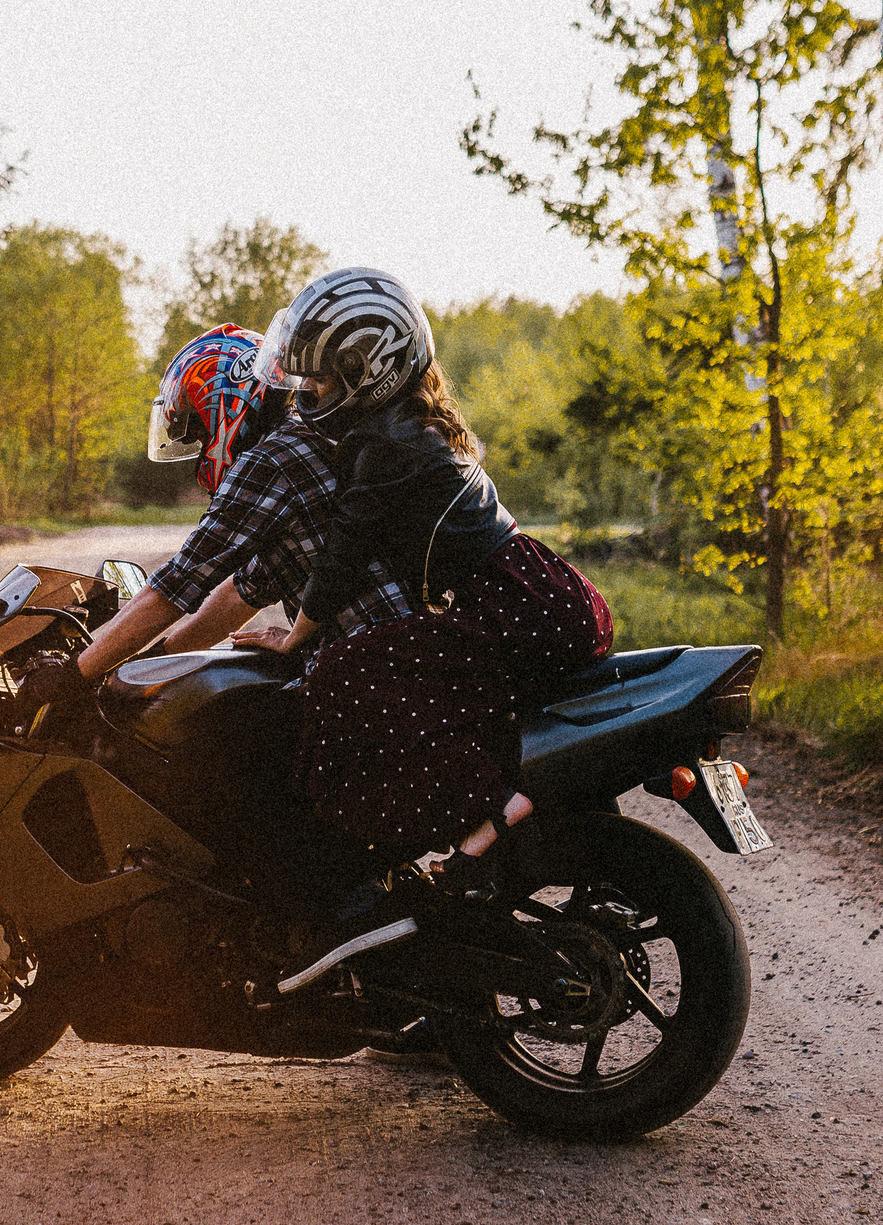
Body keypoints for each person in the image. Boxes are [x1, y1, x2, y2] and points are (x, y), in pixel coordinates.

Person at [234, 267, 613, 896]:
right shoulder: (412, 425)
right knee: (434, 692)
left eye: (324, 374)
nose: (309, 387)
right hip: (541, 595)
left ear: (370, 370)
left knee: (347, 673)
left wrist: (295, 636)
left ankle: (471, 826)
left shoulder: (382, 444)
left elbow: (343, 553)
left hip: (511, 605)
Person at [15, 324, 417, 712]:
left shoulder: (269, 460)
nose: (201, 441)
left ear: (220, 403)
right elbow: (241, 593)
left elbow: (175, 585)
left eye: (197, 427)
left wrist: (74, 674)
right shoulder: (303, 440)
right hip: (397, 658)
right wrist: (148, 663)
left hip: (368, 675)